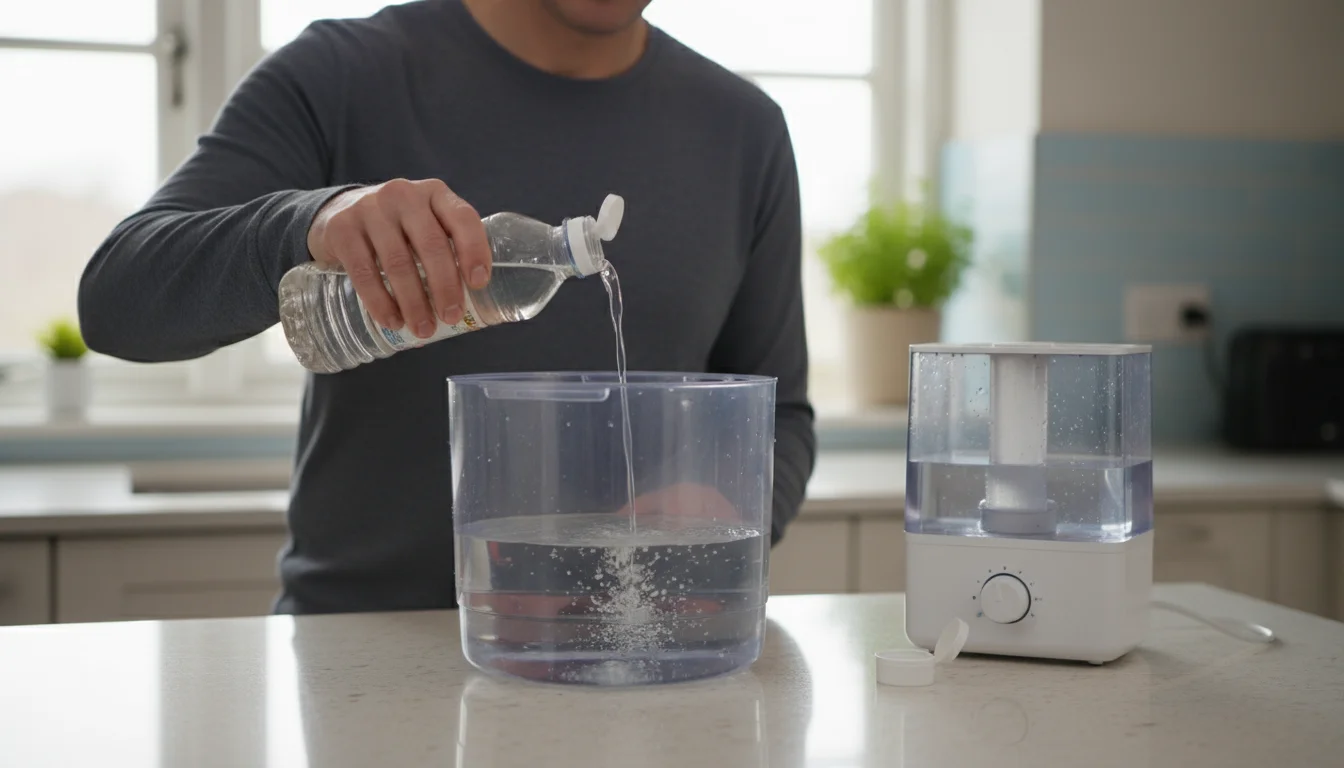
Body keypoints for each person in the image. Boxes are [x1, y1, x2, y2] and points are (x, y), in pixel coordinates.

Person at [79, 0, 816, 615]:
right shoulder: (344, 73)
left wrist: (727, 504)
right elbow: (117, 301)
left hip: (638, 663)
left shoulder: (742, 130)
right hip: (362, 661)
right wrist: (312, 221)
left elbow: (778, 413)